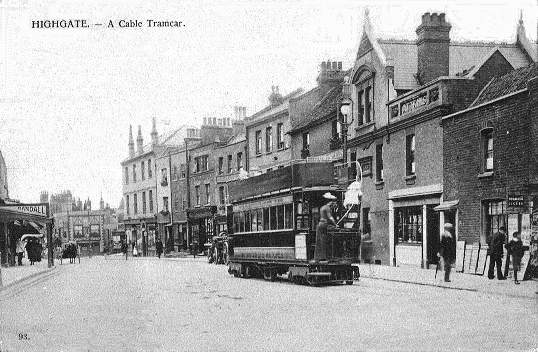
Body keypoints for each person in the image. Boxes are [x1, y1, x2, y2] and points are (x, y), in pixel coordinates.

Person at [314, 192, 339, 261]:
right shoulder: (327, 208)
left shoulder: (322, 207)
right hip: (324, 224)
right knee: (325, 240)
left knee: (320, 241)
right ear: (329, 201)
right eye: (332, 201)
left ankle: (320, 256)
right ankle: (326, 256)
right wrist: (335, 224)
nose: (332, 203)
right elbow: (330, 217)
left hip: (320, 224)